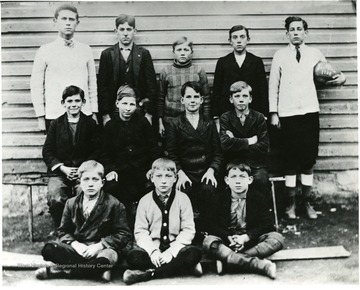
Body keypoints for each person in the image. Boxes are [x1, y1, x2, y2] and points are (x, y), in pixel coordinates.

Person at [268, 16, 346, 220]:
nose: (295, 32)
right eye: (291, 29)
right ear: (287, 34)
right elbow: (273, 85)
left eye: (299, 29)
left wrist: (342, 77)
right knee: (290, 160)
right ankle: (290, 205)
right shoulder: (280, 55)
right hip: (287, 114)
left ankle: (307, 203)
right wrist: (274, 112)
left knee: (308, 160)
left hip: (310, 112)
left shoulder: (315, 53)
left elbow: (329, 72)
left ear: (305, 32)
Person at [35, 160, 132, 282]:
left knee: (105, 260)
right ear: (79, 182)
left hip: (101, 249)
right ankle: (95, 270)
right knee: (48, 250)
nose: (90, 184)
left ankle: (61, 272)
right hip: (79, 248)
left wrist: (99, 246)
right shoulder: (71, 203)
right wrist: (76, 245)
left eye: (95, 179)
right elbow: (63, 231)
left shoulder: (114, 204)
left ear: (102, 183)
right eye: (86, 179)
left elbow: (123, 234)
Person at [123, 158, 202, 285]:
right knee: (133, 256)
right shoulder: (145, 201)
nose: (164, 181)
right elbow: (140, 231)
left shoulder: (183, 199)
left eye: (168, 176)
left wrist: (172, 251)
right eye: (158, 176)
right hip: (154, 251)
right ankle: (185, 268)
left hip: (176, 249)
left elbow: (188, 230)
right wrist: (153, 251)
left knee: (194, 253)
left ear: (175, 178)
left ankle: (148, 274)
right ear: (152, 178)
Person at [203, 162, 284, 279]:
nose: (237, 181)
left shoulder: (258, 197)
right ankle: (259, 265)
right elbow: (210, 224)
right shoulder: (218, 198)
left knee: (278, 239)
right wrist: (227, 236)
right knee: (208, 242)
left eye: (242, 177)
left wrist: (246, 237)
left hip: (250, 242)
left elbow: (267, 224)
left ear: (250, 180)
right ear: (226, 180)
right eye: (233, 177)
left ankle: (229, 261)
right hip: (227, 242)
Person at [100, 85, 161, 227]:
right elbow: (104, 153)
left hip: (141, 170)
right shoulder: (110, 126)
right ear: (117, 104)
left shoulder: (143, 123)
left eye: (132, 104)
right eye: (124, 104)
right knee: (112, 189)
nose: (128, 108)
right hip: (120, 172)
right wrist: (111, 170)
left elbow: (153, 149)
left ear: (136, 106)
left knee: (151, 187)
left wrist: (152, 168)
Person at [166, 81, 223, 232]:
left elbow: (218, 153)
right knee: (183, 191)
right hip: (185, 172)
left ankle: (208, 232)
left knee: (209, 190)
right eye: (189, 97)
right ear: (182, 100)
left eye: (196, 97)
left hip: (205, 171)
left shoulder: (209, 123)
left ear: (201, 100)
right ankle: (186, 232)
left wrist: (211, 170)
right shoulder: (175, 123)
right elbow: (171, 153)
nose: (192, 100)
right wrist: (179, 173)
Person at [31, 4, 98, 132]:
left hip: (83, 113)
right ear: (55, 22)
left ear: (77, 23)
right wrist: (40, 116)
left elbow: (92, 84)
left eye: (71, 19)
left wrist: (93, 111)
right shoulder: (45, 50)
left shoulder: (86, 50)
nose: (68, 23)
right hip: (55, 114)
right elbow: (36, 86)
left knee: (84, 150)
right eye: (64, 19)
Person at [42, 85, 100, 230]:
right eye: (69, 101)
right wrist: (62, 168)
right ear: (63, 103)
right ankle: (62, 230)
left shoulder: (90, 124)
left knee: (85, 193)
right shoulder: (56, 124)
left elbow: (97, 150)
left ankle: (83, 230)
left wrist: (84, 168)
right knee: (55, 197)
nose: (73, 105)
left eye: (77, 101)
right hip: (61, 172)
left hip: (84, 172)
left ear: (83, 102)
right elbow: (47, 151)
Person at [97, 14, 158, 127]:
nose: (125, 33)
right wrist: (105, 115)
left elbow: (152, 86)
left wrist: (148, 114)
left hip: (138, 110)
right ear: (116, 31)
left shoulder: (144, 54)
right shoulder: (106, 54)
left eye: (129, 29)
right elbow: (102, 87)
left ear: (134, 31)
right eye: (122, 29)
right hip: (114, 111)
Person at [220, 81, 271, 205]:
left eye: (244, 96)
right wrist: (250, 140)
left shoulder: (259, 118)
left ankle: (257, 214)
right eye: (237, 96)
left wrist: (235, 141)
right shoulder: (226, 118)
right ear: (231, 99)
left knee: (260, 179)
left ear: (250, 99)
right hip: (233, 163)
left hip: (255, 163)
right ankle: (232, 215)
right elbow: (225, 145)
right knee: (224, 180)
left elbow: (264, 146)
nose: (241, 100)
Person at [212, 24, 269, 129]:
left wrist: (264, 115)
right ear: (230, 41)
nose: (239, 41)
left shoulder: (256, 61)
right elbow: (217, 90)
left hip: (253, 113)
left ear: (248, 40)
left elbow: (262, 89)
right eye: (235, 37)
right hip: (228, 113)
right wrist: (216, 116)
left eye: (242, 37)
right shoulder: (223, 62)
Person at [158, 36, 211, 138]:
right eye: (179, 50)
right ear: (173, 52)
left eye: (186, 50)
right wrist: (160, 122)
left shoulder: (199, 71)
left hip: (193, 119)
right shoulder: (166, 71)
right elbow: (160, 98)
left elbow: (206, 97)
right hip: (171, 119)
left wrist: (206, 120)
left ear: (191, 52)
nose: (182, 53)